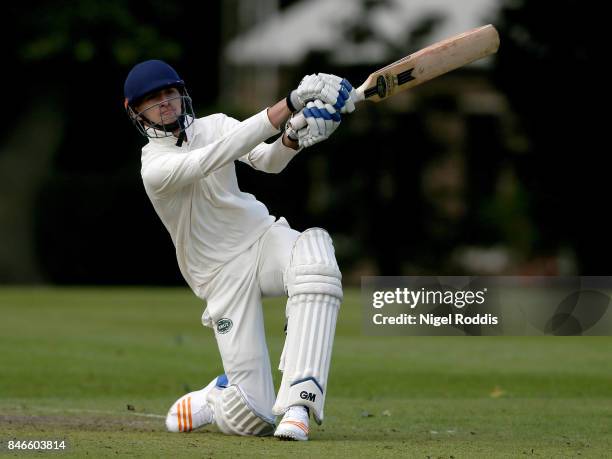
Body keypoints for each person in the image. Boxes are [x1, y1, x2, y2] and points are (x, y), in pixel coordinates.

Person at [123, 59, 357, 441]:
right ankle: (219, 395)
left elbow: (267, 161)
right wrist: (292, 103)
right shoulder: (155, 168)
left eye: (168, 93)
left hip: (261, 240)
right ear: (134, 111)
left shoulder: (214, 124)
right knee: (253, 419)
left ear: (181, 94)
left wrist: (293, 137)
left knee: (317, 258)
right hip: (220, 276)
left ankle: (300, 402)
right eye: (151, 100)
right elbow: (211, 158)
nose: (164, 103)